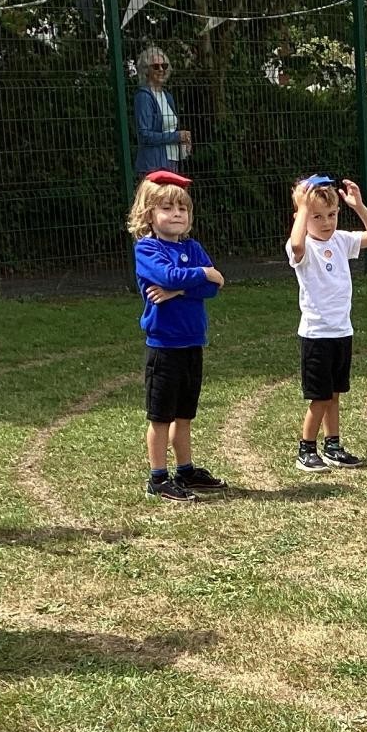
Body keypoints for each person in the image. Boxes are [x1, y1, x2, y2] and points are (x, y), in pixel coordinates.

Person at [129, 170, 227, 501]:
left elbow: (213, 290)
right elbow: (166, 275)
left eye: (182, 209)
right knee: (161, 417)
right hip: (164, 349)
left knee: (184, 414)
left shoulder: (193, 246)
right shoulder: (147, 249)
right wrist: (202, 274)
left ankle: (185, 470)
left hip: (192, 344)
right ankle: (158, 477)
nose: (176, 215)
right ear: (149, 214)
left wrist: (177, 291)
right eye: (167, 209)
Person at [288, 174, 367, 472]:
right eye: (317, 216)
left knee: (334, 394)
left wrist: (358, 206)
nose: (326, 222)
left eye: (331, 215)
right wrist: (304, 210)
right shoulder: (302, 247)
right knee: (319, 397)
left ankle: (332, 445)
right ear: (302, 217)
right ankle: (306, 450)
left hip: (342, 331)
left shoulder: (342, 240)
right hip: (316, 334)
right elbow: (295, 243)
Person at [133, 46, 191, 177]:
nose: (161, 70)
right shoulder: (144, 96)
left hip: (172, 161)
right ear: (146, 70)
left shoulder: (167, 96)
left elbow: (171, 129)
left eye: (164, 66)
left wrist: (183, 140)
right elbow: (145, 135)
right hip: (154, 164)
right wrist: (176, 136)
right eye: (155, 66)